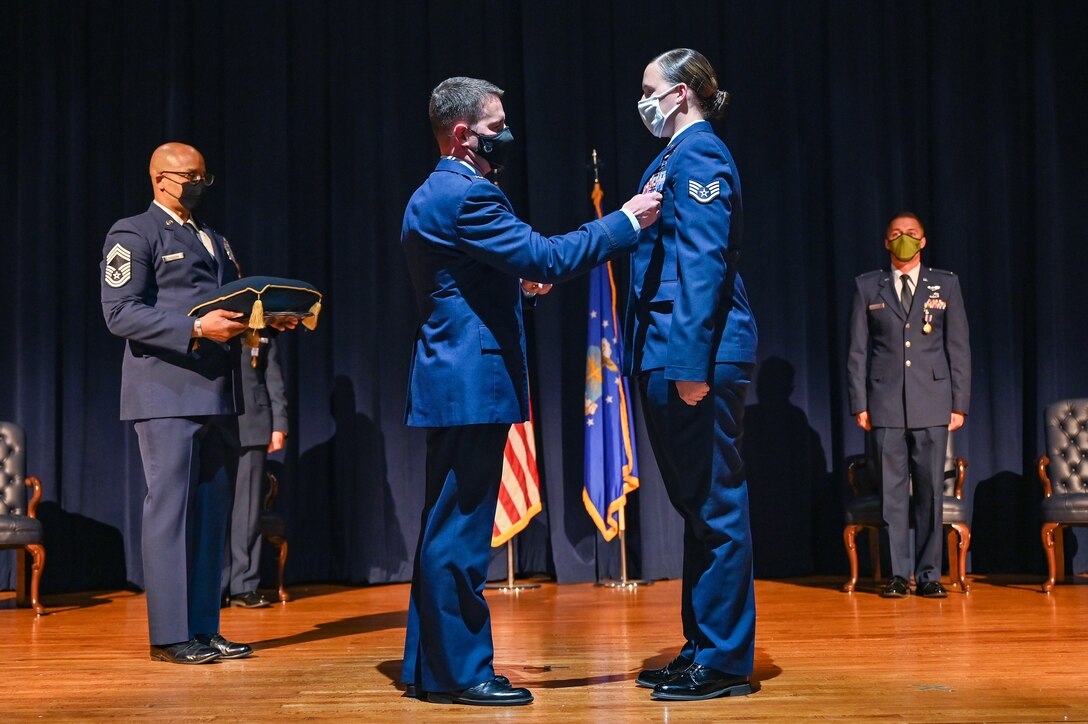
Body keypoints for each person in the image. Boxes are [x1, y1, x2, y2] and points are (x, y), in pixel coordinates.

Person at [399, 76, 661, 706]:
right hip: (470, 381)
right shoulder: (467, 195)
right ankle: (459, 675)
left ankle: (427, 664)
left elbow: (461, 281)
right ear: (462, 134)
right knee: (460, 535)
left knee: (443, 527)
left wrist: (515, 288)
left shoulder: (435, 191)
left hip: (452, 376)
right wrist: (625, 221)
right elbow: (543, 255)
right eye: (496, 125)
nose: (506, 135)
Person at [101, 142, 292, 663]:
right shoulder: (133, 233)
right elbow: (120, 313)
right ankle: (169, 635)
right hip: (165, 393)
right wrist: (194, 328)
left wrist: (265, 318)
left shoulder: (214, 238)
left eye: (205, 177)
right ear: (162, 179)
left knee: (210, 516)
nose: (201, 186)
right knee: (170, 514)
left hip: (218, 394)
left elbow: (230, 305)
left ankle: (204, 628)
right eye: (192, 177)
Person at [623, 49, 758, 701]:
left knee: (716, 505)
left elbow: (703, 262)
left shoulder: (700, 155)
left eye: (649, 90)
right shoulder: (670, 158)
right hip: (666, 347)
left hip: (693, 352)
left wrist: (691, 363)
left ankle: (727, 659)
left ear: (679, 94)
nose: (642, 101)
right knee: (696, 507)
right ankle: (704, 644)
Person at [847, 212, 971, 599]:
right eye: (896, 234)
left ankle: (930, 573)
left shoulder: (945, 284)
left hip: (934, 403)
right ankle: (899, 574)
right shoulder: (868, 287)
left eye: (911, 234)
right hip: (884, 405)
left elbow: (959, 349)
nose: (904, 239)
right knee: (892, 494)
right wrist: (859, 403)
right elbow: (857, 351)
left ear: (923, 240)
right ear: (886, 243)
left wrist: (959, 403)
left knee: (932, 492)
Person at [222, 334, 287, 609]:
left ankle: (244, 585)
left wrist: (279, 424)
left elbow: (273, 379)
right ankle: (214, 586)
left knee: (248, 509)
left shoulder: (263, 333)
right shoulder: (213, 323)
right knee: (213, 507)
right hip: (217, 418)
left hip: (254, 423)